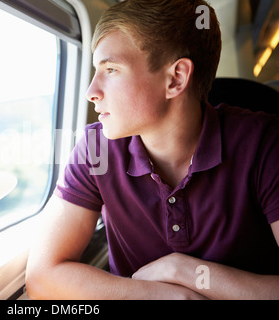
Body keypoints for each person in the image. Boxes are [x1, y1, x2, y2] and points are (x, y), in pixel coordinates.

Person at [25, 0, 279, 299]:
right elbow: (42, 277)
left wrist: (184, 272)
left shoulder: (266, 143)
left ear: (175, 79)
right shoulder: (95, 149)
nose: (91, 92)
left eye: (111, 69)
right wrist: (165, 296)